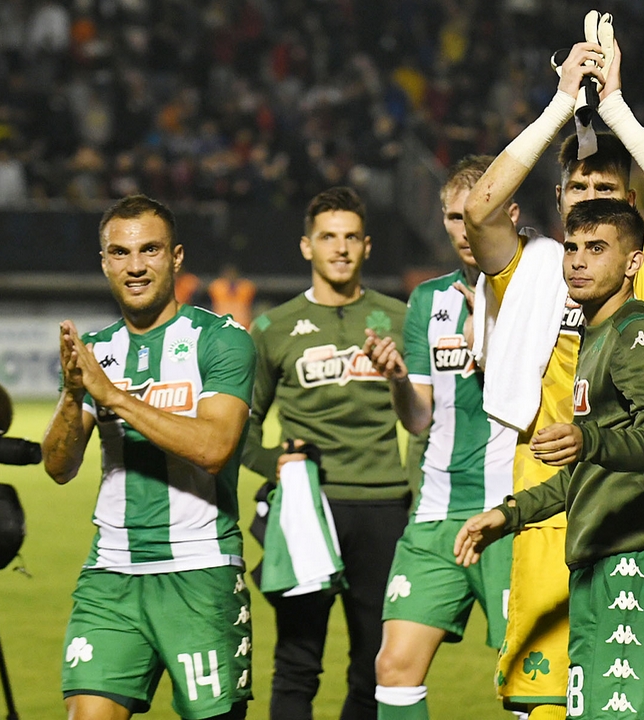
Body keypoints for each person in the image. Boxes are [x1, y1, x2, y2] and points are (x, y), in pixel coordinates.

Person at [462, 38, 644, 718]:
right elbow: (480, 210)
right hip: (549, 507)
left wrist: (618, 108)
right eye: (578, 188)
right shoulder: (536, 265)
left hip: (634, 516)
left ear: (629, 201)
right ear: (559, 195)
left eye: (606, 191)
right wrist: (561, 105)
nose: (590, 200)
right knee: (544, 703)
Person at [42, 194, 255, 720]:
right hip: (112, 572)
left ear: (176, 257)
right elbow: (59, 466)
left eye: (150, 250)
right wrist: (74, 395)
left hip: (199, 569)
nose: (135, 266)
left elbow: (214, 448)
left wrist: (114, 397)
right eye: (120, 253)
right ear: (105, 262)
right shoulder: (97, 351)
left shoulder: (220, 340)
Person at [242, 187, 411, 720]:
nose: (340, 248)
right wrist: (273, 464)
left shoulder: (401, 319)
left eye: (351, 237)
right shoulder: (272, 327)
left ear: (367, 245)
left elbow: (430, 415)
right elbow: (240, 426)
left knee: (375, 666)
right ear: (306, 246)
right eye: (328, 237)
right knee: (297, 663)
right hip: (306, 510)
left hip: (384, 506)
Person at [365, 156, 517, 719]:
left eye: (478, 213)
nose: (466, 228)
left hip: (513, 512)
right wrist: (397, 380)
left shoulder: (544, 291)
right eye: (455, 216)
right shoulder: (428, 301)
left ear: (510, 214)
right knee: (394, 666)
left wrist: (495, 330)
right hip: (437, 512)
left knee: (527, 677)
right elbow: (418, 420)